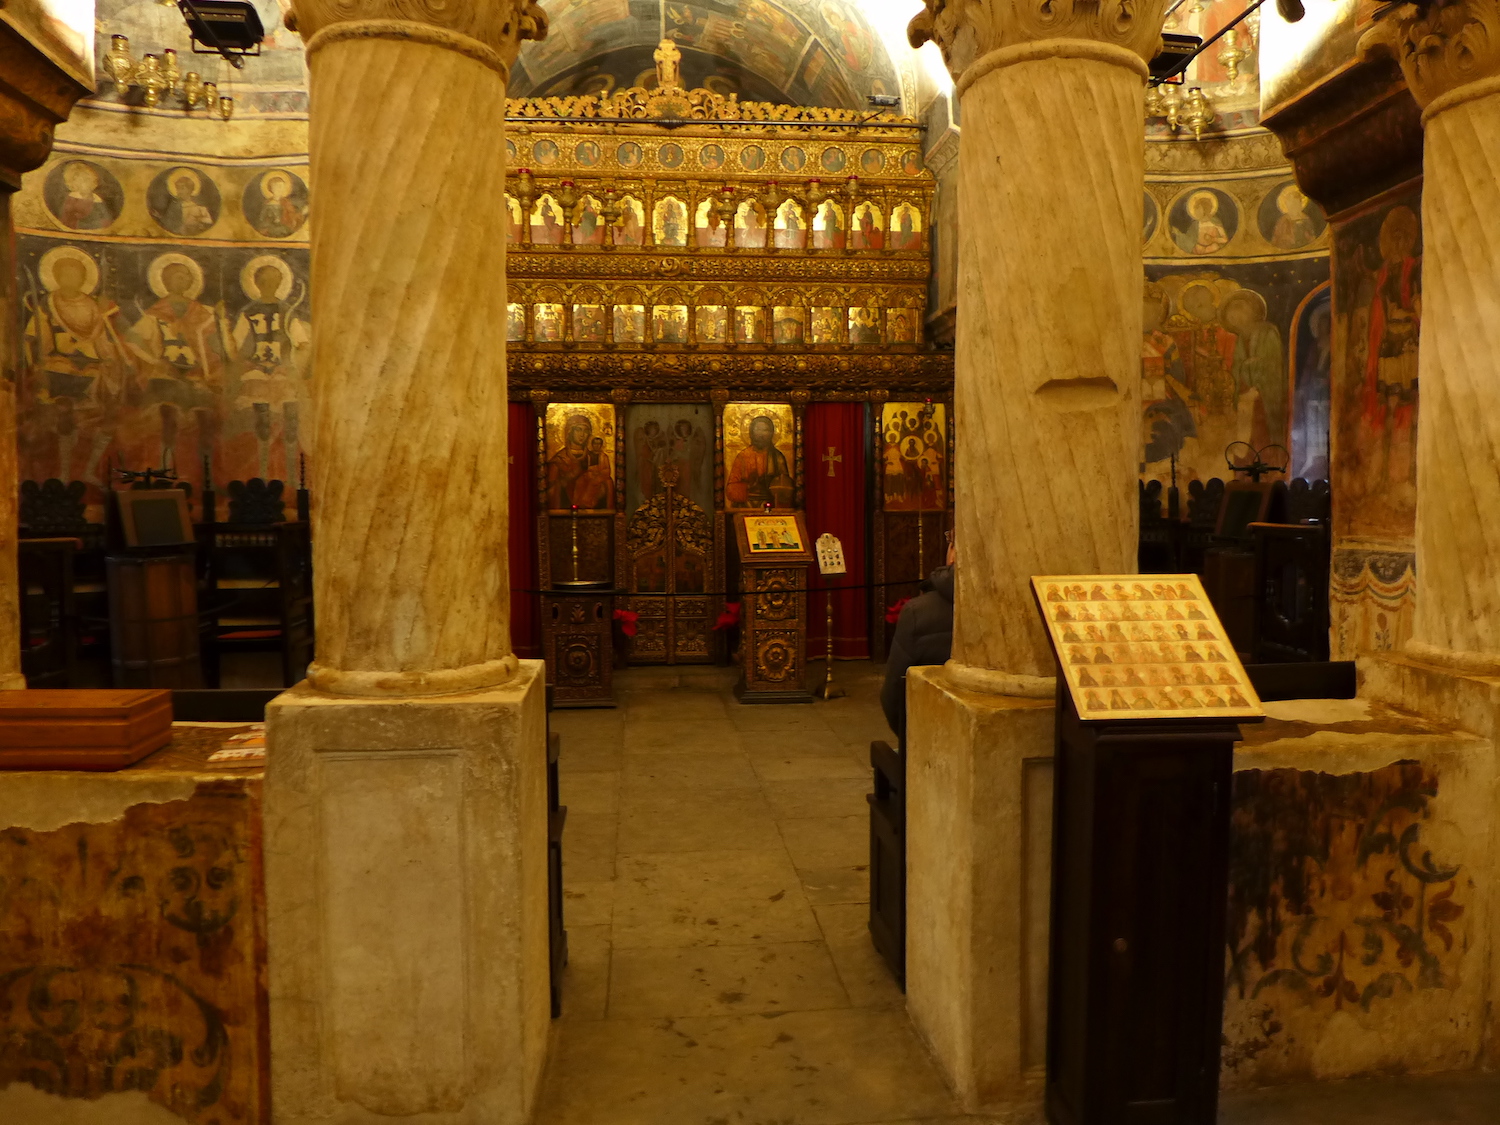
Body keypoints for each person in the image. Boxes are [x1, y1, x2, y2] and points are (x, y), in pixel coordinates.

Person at [881, 531, 956, 746]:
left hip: (929, 739)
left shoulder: (918, 612)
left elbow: (893, 696)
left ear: (953, 554)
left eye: (950, 541)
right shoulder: (1015, 605)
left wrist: (913, 741)